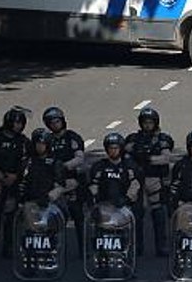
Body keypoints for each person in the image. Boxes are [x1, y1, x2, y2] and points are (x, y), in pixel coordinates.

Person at [124, 107, 176, 256]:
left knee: (158, 212)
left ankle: (161, 246)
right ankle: (137, 246)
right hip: (136, 179)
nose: (147, 125)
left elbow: (167, 158)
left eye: (150, 122)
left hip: (155, 178)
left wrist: (148, 159)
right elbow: (125, 155)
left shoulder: (163, 139)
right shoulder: (133, 138)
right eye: (145, 122)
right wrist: (135, 156)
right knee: (137, 212)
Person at [0, 107, 32, 257]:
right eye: (16, 122)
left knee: (11, 213)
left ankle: (8, 244)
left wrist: (16, 176)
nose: (19, 126)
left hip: (15, 179)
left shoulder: (24, 141)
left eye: (21, 123)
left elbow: (28, 161)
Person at [42, 106, 86, 253]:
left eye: (57, 121)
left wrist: (64, 166)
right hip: (53, 183)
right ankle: (52, 247)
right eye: (52, 122)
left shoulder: (72, 137)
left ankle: (83, 248)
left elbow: (80, 158)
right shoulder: (46, 139)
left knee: (77, 214)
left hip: (72, 181)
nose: (55, 124)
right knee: (51, 216)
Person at [88, 132, 143, 212]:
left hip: (126, 206)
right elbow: (93, 185)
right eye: (111, 148)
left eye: (116, 148)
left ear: (121, 149)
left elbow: (135, 185)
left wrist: (126, 199)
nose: (113, 151)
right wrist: (95, 200)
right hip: (104, 205)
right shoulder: (99, 166)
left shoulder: (129, 166)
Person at [18, 128, 71, 210]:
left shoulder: (55, 162)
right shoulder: (28, 161)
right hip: (29, 200)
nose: (40, 146)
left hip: (50, 202)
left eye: (43, 144)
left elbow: (60, 184)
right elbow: (22, 180)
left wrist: (50, 196)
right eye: (37, 143)